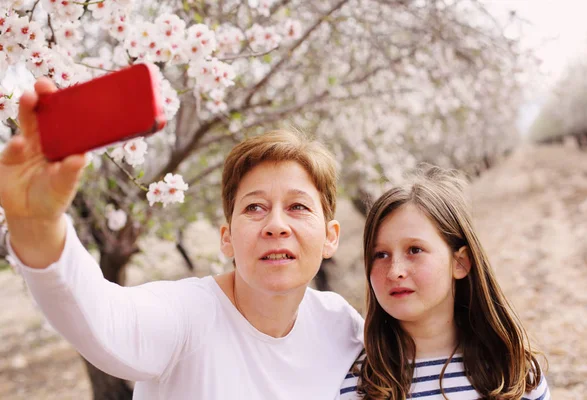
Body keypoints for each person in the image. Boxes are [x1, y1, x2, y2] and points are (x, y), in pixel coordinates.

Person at [0, 78, 364, 399]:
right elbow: (106, 319)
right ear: (227, 239)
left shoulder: (342, 327)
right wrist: (38, 226)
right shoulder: (186, 316)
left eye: (298, 207)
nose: (275, 225)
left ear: (330, 237)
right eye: (254, 208)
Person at [339, 166, 550, 399]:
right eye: (380, 254)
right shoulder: (354, 385)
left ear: (460, 263)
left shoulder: (514, 375)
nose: (394, 271)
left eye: (414, 250)